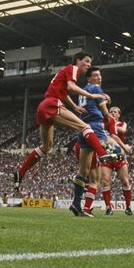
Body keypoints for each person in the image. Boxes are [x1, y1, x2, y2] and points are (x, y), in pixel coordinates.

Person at [13, 52, 121, 190]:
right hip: (52, 104)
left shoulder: (66, 72)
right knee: (85, 127)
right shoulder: (72, 68)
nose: (88, 65)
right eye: (86, 61)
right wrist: (91, 95)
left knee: (46, 147)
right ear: (78, 60)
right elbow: (70, 87)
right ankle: (103, 153)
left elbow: (64, 92)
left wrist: (75, 106)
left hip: (44, 106)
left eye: (90, 63)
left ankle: (20, 172)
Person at [70, 66, 124, 217]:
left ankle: (76, 203)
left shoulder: (83, 92)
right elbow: (105, 112)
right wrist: (108, 116)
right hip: (95, 127)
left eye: (100, 75)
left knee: (83, 171)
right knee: (117, 149)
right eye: (95, 75)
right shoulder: (96, 89)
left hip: (82, 130)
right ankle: (108, 155)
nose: (99, 78)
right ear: (88, 78)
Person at [101, 106, 134, 216]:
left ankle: (128, 207)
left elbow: (122, 130)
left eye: (115, 112)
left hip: (119, 154)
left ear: (119, 114)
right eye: (110, 112)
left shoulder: (122, 124)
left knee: (125, 181)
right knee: (106, 181)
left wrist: (110, 123)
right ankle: (108, 207)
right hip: (106, 153)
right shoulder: (104, 123)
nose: (112, 113)